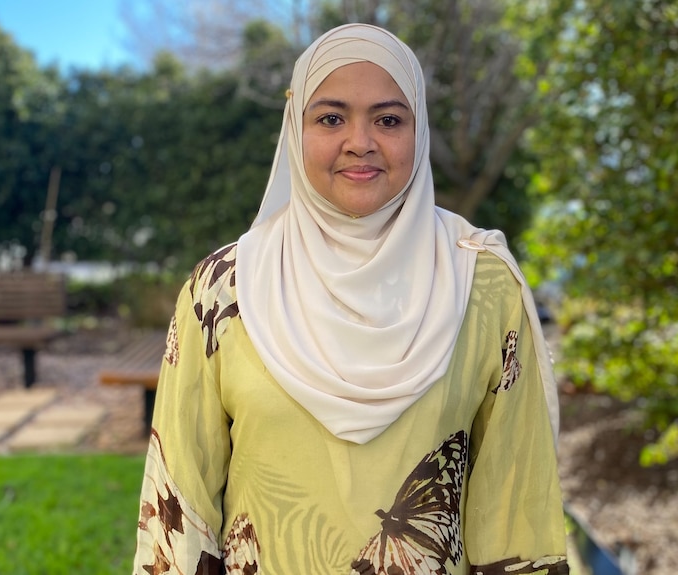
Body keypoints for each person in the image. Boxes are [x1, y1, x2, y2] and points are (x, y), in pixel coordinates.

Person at [132, 23, 569, 575]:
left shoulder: (481, 286)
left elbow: (515, 503)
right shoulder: (222, 291)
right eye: (331, 118)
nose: (359, 141)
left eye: (388, 119)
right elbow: (182, 505)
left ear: (420, 131)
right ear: (296, 129)